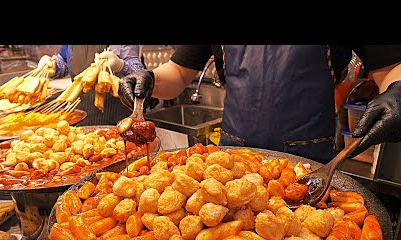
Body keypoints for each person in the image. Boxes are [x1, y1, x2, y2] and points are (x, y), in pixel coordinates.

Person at [118, 45, 401, 164]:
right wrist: (150, 79)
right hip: (232, 163)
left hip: (311, 165)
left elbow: (391, 68)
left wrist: (397, 90)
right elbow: (179, 73)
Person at [38, 45, 146, 126]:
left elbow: (140, 74)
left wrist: (121, 66)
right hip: (80, 116)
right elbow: (64, 61)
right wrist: (54, 65)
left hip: (116, 120)